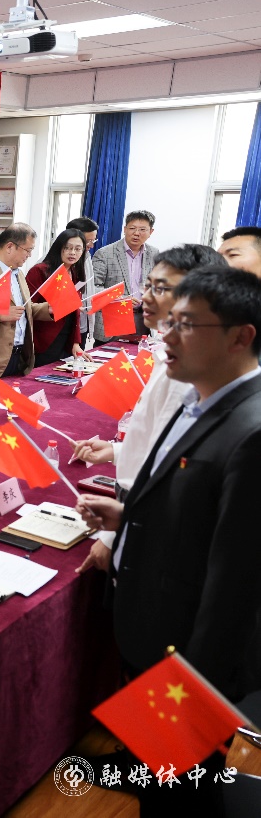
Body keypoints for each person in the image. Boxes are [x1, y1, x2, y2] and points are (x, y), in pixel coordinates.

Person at [76, 267, 261, 710]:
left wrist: (196, 687)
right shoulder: (197, 399)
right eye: (171, 322)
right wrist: (129, 518)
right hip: (155, 621)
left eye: (188, 325)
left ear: (241, 337)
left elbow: (235, 582)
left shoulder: (252, 432)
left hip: (189, 651)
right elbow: (204, 517)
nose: (169, 336)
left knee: (175, 749)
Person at [72, 245, 226, 575]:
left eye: (161, 288)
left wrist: (112, 536)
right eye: (148, 285)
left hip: (145, 515)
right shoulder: (168, 352)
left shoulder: (187, 370)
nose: (145, 297)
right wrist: (115, 451)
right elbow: (158, 437)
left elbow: (169, 465)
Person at [0, 224, 53, 380]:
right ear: (10, 247)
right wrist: (1, 316)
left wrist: (49, 309)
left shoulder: (18, 273)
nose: (29, 255)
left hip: (19, 357)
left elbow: (24, 308)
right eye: (28, 250)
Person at [92, 210, 158, 341]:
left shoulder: (154, 254)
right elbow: (92, 288)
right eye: (132, 228)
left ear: (151, 232)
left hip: (143, 320)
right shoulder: (105, 253)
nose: (136, 233)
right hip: (113, 319)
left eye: (142, 229)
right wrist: (118, 298)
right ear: (124, 229)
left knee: (139, 353)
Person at [25, 229, 87, 366]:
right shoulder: (40, 270)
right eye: (68, 248)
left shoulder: (76, 273)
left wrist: (75, 343)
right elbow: (27, 306)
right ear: (59, 247)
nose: (72, 253)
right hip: (43, 338)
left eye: (78, 249)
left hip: (66, 338)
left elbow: (75, 311)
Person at [65, 217, 99, 345]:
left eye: (93, 240)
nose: (91, 245)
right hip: (63, 327)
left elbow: (88, 288)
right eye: (88, 241)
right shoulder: (50, 262)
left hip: (81, 323)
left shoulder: (86, 257)